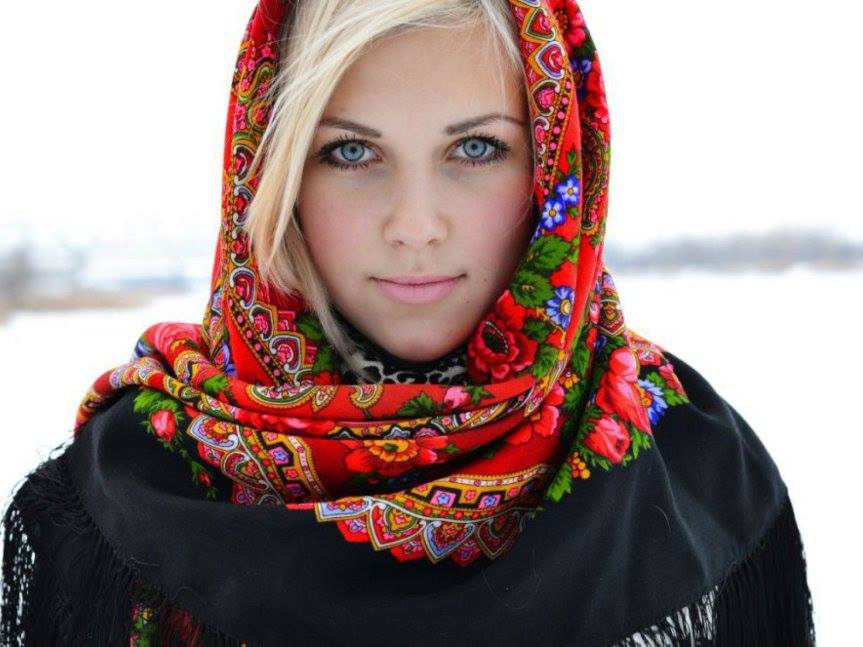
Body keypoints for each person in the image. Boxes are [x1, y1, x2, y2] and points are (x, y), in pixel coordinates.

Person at [0, 1, 815, 645]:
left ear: (556, 168)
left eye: (476, 149)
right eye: (351, 152)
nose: (415, 226)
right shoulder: (123, 494)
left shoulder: (698, 483)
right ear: (272, 172)